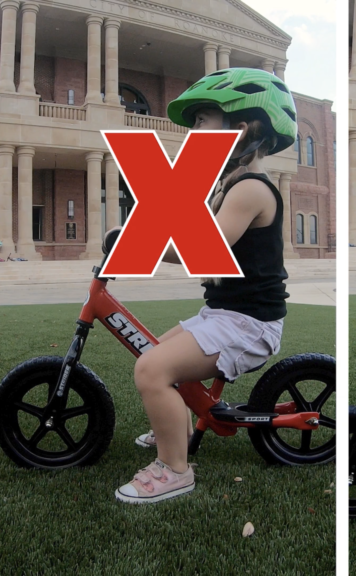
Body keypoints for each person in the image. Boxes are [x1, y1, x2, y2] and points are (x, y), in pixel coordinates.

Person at [115, 68, 295, 503]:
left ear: (241, 127)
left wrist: (138, 239)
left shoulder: (250, 189)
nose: (193, 130)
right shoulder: (228, 185)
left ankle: (175, 469)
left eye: (201, 119)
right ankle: (171, 428)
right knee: (155, 354)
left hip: (248, 324)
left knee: (152, 370)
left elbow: (202, 248)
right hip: (226, 314)